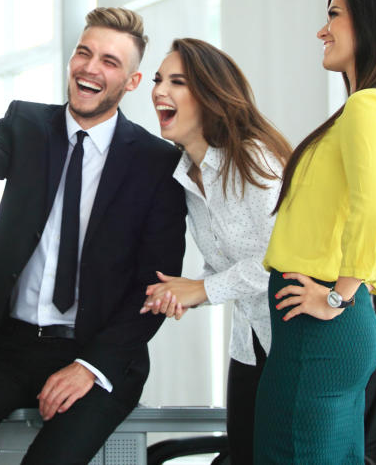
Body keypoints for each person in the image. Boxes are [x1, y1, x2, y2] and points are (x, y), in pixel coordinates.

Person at [0, 7, 187, 464]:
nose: (90, 67)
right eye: (84, 53)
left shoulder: (157, 163)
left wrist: (89, 367)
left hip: (98, 356)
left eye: (109, 61)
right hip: (15, 347)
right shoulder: (27, 125)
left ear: (132, 82)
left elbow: (156, 285)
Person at [253, 0, 376, 463]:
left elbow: (375, 209)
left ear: (370, 23)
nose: (322, 31)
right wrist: (359, 294)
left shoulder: (368, 107)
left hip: (319, 331)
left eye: (333, 15)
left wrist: (338, 296)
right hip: (337, 329)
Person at [141, 38, 291, 464]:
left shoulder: (254, 159)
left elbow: (277, 259)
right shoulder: (187, 175)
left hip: (293, 340)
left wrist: (201, 290)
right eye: (157, 80)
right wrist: (183, 293)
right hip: (249, 341)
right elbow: (224, 263)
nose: (158, 91)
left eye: (177, 82)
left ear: (208, 94)